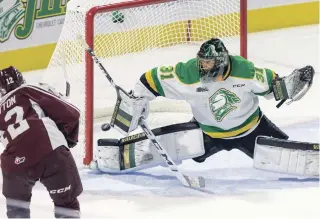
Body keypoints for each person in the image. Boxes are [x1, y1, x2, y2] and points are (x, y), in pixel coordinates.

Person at [96, 38, 316, 177]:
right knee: (173, 145)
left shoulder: (245, 71)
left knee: (289, 157)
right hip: (206, 133)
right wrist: (137, 101)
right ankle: (113, 157)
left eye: (209, 63)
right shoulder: (186, 73)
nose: (204, 67)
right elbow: (148, 80)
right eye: (202, 62)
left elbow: (275, 88)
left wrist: (292, 84)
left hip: (252, 130)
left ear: (221, 61)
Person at [0, 66, 83, 218]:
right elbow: (72, 114)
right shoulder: (26, 89)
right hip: (50, 150)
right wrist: (69, 139)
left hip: (14, 164)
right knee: (66, 205)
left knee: (17, 210)